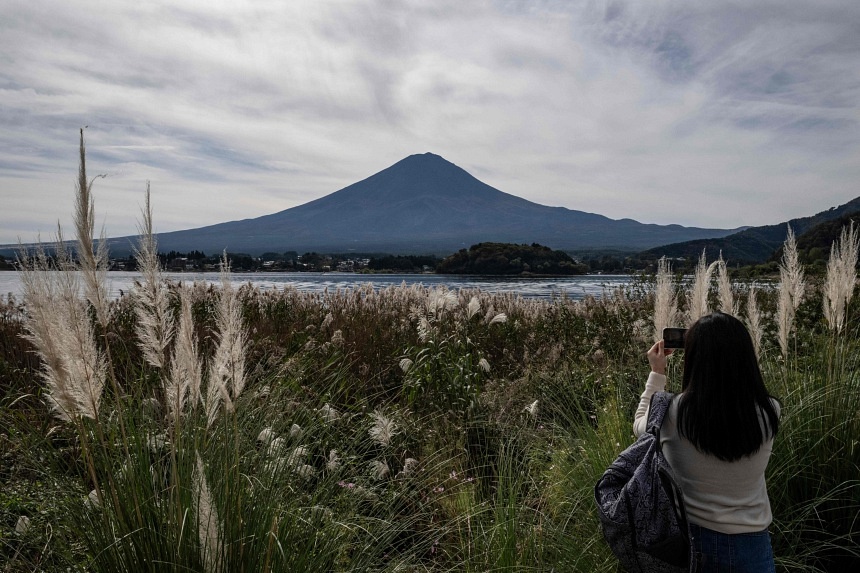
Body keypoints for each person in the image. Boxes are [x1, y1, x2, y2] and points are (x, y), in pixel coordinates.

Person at [635, 312, 781, 573]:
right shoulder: (770, 410)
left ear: (694, 359)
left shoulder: (673, 411)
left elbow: (641, 428)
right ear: (745, 357)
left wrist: (656, 374)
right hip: (752, 547)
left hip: (692, 544)